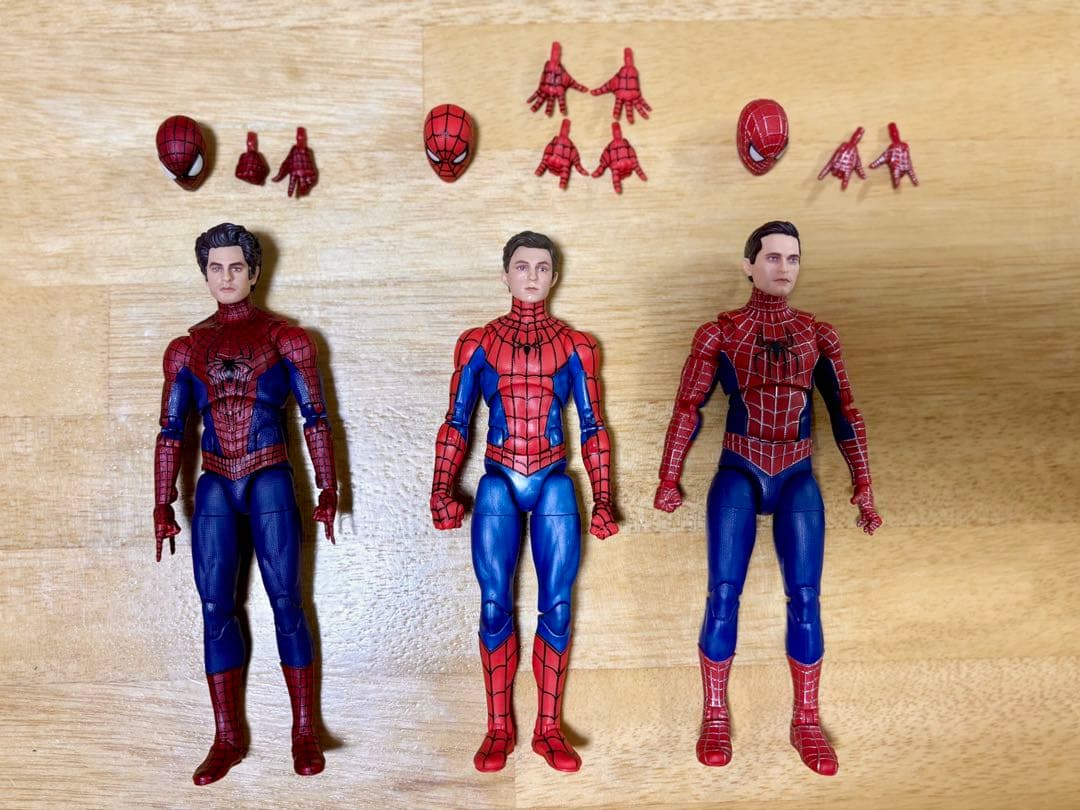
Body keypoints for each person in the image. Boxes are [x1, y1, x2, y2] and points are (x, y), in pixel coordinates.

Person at [654, 221, 882, 775]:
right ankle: (713, 713)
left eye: (793, 258)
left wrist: (864, 483)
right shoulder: (720, 333)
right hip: (739, 466)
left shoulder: (818, 335)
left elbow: (845, 411)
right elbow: (687, 406)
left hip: (797, 473)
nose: (784, 268)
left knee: (806, 598)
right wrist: (668, 476)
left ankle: (806, 720)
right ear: (749, 265)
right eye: (773, 257)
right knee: (722, 594)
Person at [153, 222, 338, 784]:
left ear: (254, 272)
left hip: (269, 473)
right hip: (213, 479)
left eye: (236, 267)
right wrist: (161, 503)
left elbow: (316, 417)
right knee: (214, 608)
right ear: (205, 274)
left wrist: (329, 486)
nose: (226, 276)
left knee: (287, 601)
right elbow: (170, 431)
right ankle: (227, 737)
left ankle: (304, 730)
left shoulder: (287, 339)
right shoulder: (186, 348)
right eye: (216, 268)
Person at [430, 231, 618, 773]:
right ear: (505, 274)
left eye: (541, 267)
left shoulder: (576, 345)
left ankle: (548, 728)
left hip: (554, 476)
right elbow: (456, 421)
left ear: (554, 277)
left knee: (557, 605)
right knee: (493, 604)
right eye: (521, 266)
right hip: (497, 479)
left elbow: (593, 425)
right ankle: (497, 727)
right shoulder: (478, 342)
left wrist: (605, 497)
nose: (531, 276)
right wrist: (440, 487)